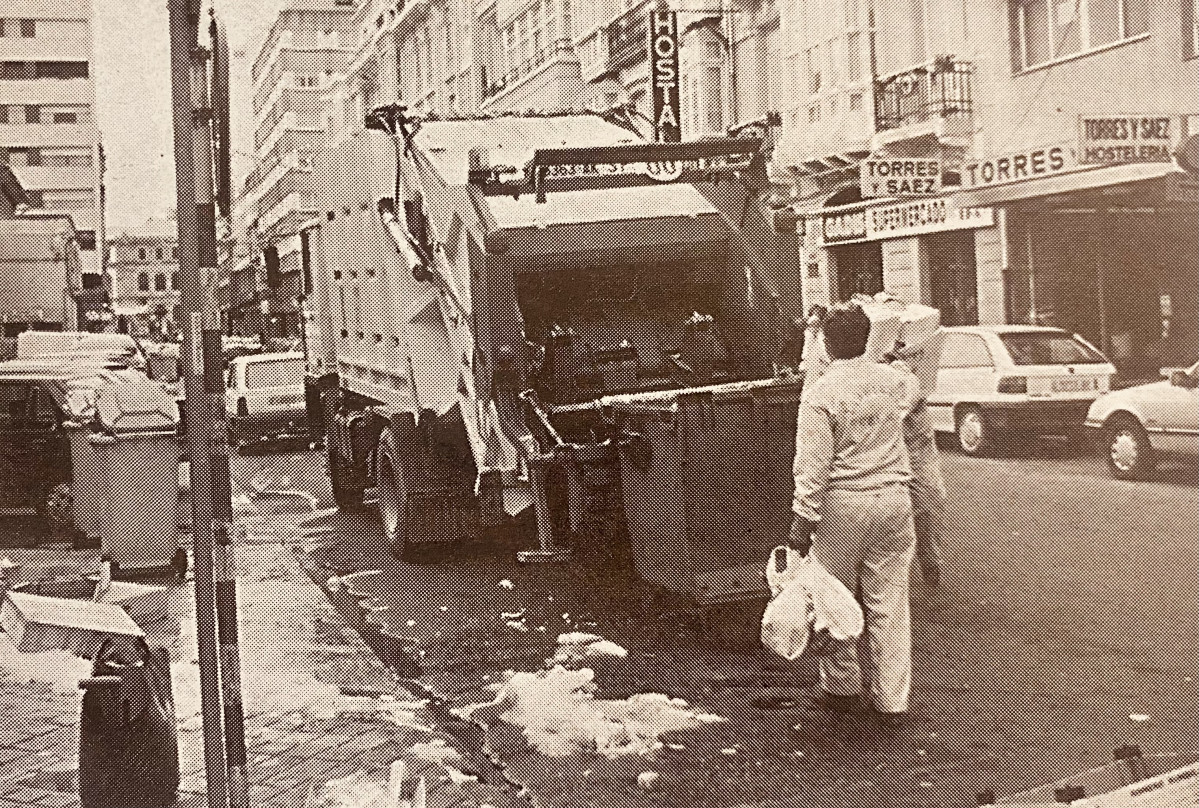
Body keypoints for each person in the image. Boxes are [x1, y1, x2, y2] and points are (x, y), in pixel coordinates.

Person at [789, 302, 920, 724]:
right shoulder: (893, 382)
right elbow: (915, 392)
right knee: (891, 606)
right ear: (866, 339)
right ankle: (891, 701)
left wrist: (803, 519)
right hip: (895, 502)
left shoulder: (821, 392)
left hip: (843, 506)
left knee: (834, 600)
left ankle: (842, 687)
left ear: (826, 341)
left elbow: (813, 463)